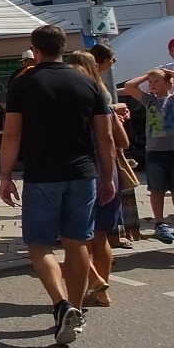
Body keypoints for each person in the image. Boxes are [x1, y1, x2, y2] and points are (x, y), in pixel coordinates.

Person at [0, 25, 115, 346]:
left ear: (35, 50)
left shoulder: (24, 83)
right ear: (63, 47)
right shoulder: (88, 83)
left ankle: (61, 305)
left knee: (39, 244)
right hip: (83, 174)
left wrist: (5, 175)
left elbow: (12, 134)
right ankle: (75, 308)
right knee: (77, 242)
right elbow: (104, 137)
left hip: (42, 175)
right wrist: (108, 175)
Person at [65, 50, 118, 306]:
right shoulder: (103, 93)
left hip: (85, 167)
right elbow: (112, 139)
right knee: (100, 234)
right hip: (108, 165)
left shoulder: (79, 95)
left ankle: (95, 280)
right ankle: (101, 290)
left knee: (77, 235)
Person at [90, 44, 139, 245]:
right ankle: (108, 236)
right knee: (111, 185)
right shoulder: (91, 82)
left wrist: (115, 112)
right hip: (101, 140)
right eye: (111, 61)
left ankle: (117, 233)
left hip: (109, 135)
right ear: (101, 61)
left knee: (119, 185)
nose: (112, 65)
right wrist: (114, 109)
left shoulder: (98, 81)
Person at [121, 66, 174, 245]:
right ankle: (159, 222)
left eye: (157, 81)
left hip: (172, 150)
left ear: (168, 83)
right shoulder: (149, 100)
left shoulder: (172, 99)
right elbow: (129, 86)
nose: (152, 85)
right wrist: (148, 76)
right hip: (154, 151)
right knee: (156, 189)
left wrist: (168, 74)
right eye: (150, 83)